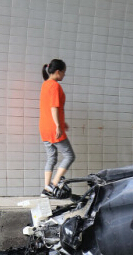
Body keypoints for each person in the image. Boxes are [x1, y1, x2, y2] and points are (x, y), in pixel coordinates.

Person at [39, 59, 75, 197]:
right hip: (53, 127)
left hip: (44, 127)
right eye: (64, 72)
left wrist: (61, 122)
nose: (64, 75)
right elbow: (54, 107)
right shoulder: (54, 86)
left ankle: (46, 189)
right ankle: (53, 185)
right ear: (58, 72)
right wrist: (58, 125)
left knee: (51, 157)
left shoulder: (45, 84)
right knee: (69, 155)